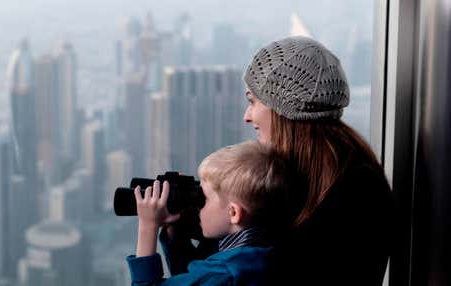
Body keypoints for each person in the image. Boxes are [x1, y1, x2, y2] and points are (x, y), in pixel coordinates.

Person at [160, 36, 394, 285]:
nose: (246, 116)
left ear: (283, 108)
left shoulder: (349, 194)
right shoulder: (336, 175)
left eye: (252, 101)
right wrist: (180, 234)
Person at [125, 141, 300, 285]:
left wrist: (148, 226)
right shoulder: (259, 251)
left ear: (233, 212)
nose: (197, 206)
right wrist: (175, 232)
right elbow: (190, 278)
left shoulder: (225, 275)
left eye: (203, 199)